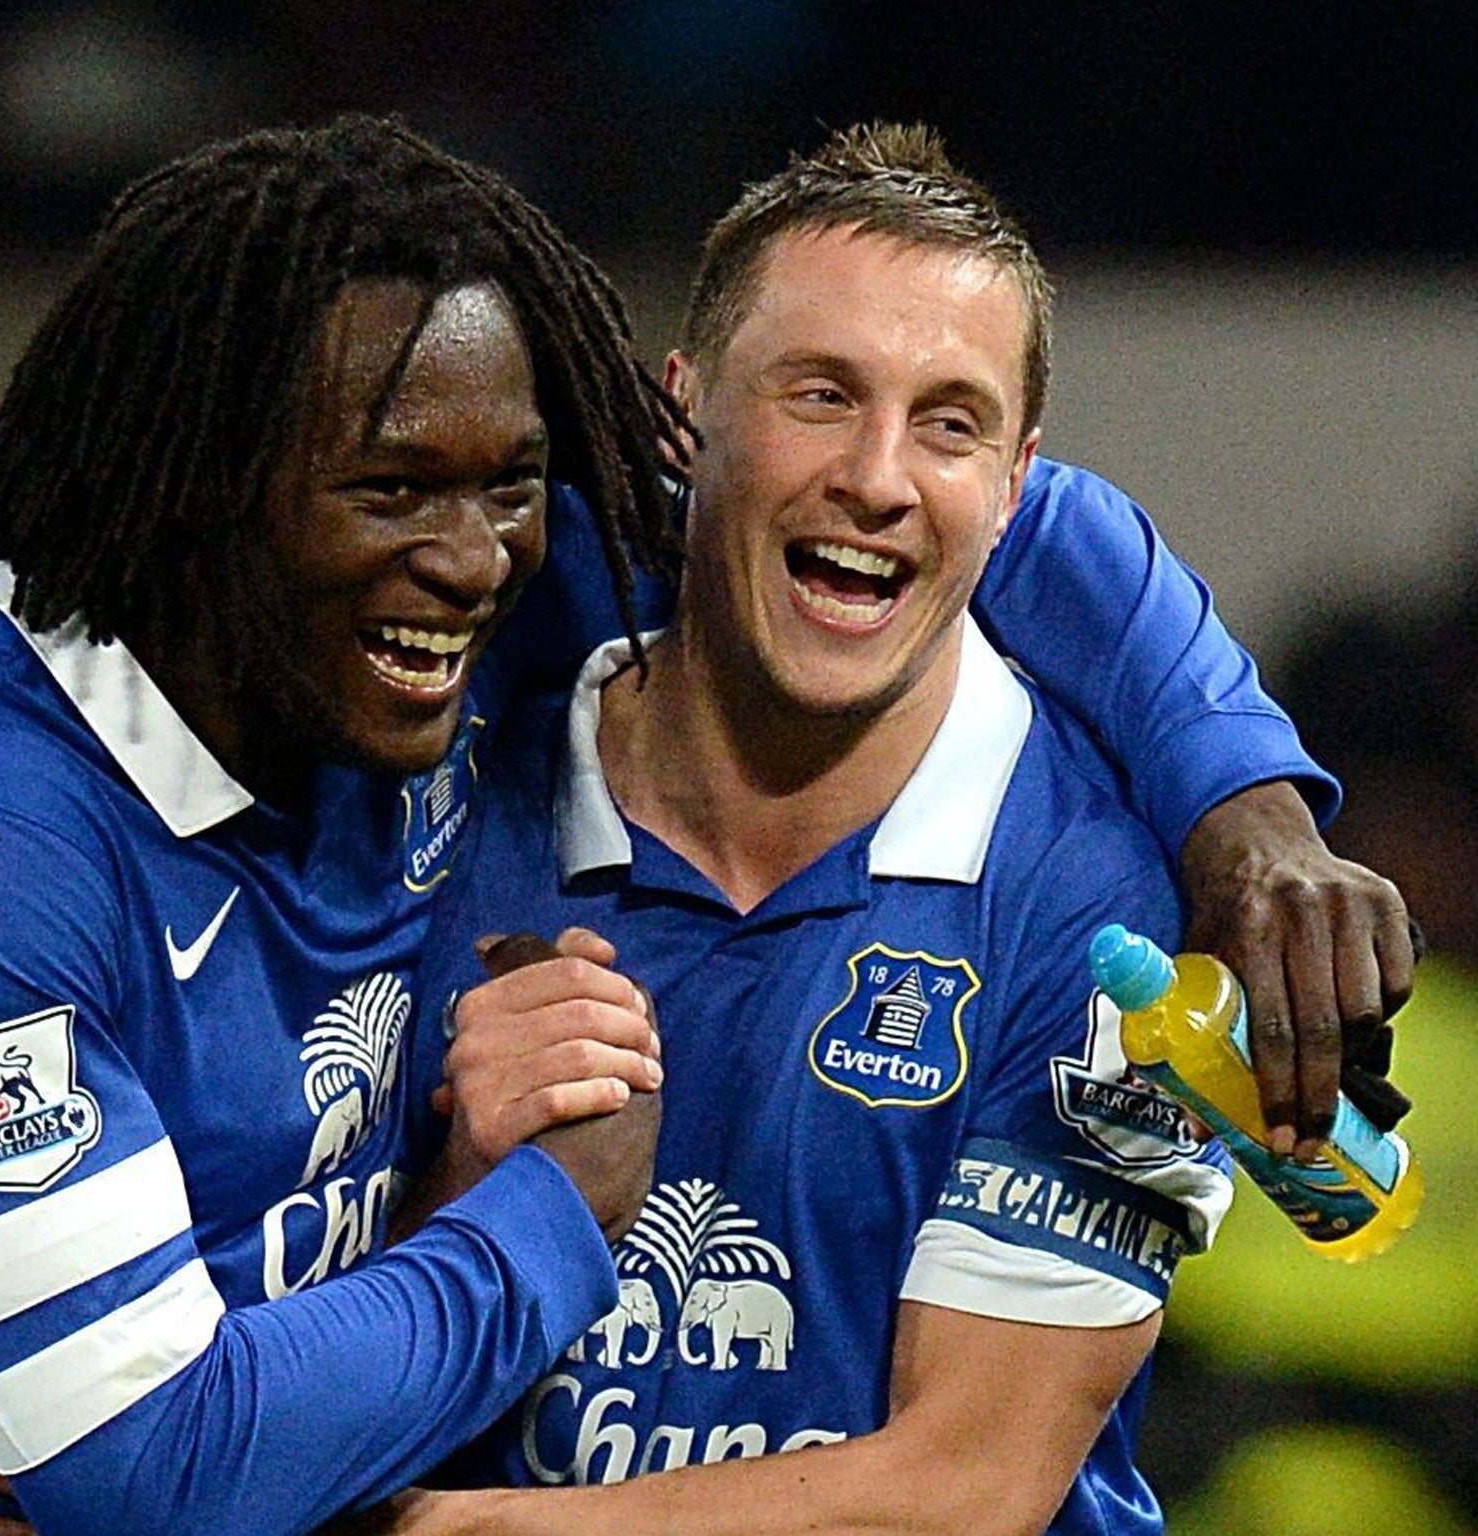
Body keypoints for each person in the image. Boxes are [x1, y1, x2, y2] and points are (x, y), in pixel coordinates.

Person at [0, 116, 1405, 1536]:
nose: (464, 556)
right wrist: (519, 1202)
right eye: (391, 492)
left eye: (506, 489)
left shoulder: (1102, 898)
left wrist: (1247, 802)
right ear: (693, 425)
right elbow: (155, 1463)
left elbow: (969, 1485)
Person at [365, 122, 1303, 1534]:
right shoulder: (438, 796)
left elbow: (965, 1489)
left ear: (1016, 488)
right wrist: (458, 1186)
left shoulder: (1119, 924)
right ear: (685, 421)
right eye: (821, 395)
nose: (877, 476)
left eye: (950, 422)